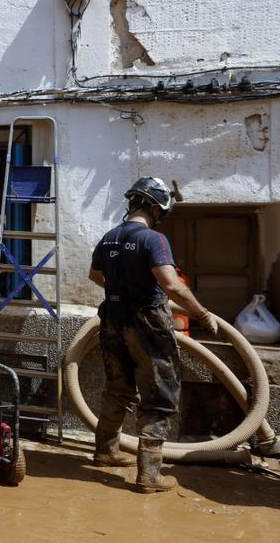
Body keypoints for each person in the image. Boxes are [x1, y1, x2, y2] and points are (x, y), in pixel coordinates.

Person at [88, 177, 221, 493]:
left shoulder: (108, 239)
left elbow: (95, 276)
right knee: (159, 395)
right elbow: (172, 285)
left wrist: (121, 290)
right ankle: (149, 475)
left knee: (118, 389)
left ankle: (105, 451)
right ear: (154, 207)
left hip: (112, 322)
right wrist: (203, 315)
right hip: (147, 325)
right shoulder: (153, 240)